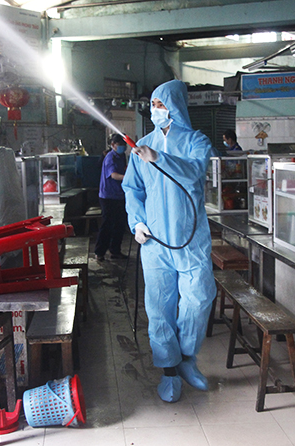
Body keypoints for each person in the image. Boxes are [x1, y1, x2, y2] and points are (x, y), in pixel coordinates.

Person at [122, 80, 217, 403]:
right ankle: (170, 372)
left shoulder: (196, 142)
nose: (155, 111)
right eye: (153, 105)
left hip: (190, 238)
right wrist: (136, 222)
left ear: (175, 106)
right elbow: (132, 189)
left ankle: (188, 359)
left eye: (161, 105)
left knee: (199, 298)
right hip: (154, 242)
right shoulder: (141, 147)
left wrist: (159, 159)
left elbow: (195, 172)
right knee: (159, 306)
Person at [94, 134, 128, 262]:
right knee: (107, 224)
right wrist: (127, 177)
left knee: (119, 224)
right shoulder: (110, 157)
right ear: (113, 145)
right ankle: (99, 252)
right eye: (120, 145)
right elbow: (113, 175)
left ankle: (115, 251)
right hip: (108, 196)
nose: (123, 147)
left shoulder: (121, 156)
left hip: (119, 194)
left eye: (124, 145)